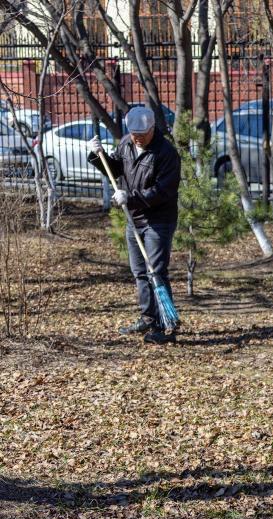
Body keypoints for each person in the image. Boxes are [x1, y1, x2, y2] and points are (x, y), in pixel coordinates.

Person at [88, 105, 182, 344]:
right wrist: (97, 156)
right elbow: (116, 168)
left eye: (142, 134)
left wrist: (130, 198)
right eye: (133, 134)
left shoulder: (166, 153)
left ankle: (164, 326)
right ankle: (148, 318)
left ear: (153, 128)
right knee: (140, 273)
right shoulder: (127, 145)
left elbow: (163, 191)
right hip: (135, 219)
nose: (137, 138)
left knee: (155, 272)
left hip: (158, 221)